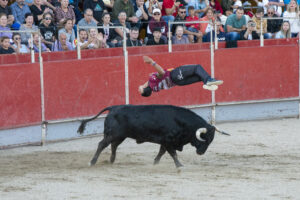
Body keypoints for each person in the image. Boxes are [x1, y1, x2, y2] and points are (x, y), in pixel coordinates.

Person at [138, 56, 224, 97]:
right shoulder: (152, 81)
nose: (139, 89)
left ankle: (207, 83)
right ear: (145, 89)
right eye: (140, 90)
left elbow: (150, 83)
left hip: (178, 82)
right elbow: (161, 73)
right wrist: (152, 62)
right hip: (174, 75)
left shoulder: (153, 88)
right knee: (197, 68)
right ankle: (208, 80)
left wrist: (146, 83)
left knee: (199, 77)